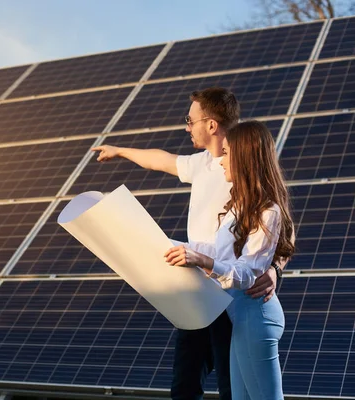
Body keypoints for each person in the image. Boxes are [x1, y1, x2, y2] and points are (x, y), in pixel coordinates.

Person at [92, 87, 284, 400]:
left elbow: (277, 233)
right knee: (185, 384)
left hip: (233, 295)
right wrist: (121, 151)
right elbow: (161, 160)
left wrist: (274, 268)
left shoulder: (247, 168)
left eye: (190, 120)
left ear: (211, 125)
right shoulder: (205, 165)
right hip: (197, 287)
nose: (186, 126)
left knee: (233, 386)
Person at [164, 120, 295, 399]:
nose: (220, 161)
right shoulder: (239, 206)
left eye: (226, 153)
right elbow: (218, 252)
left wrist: (200, 260)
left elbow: (247, 272)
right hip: (241, 318)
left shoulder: (268, 210)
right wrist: (162, 243)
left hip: (256, 317)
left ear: (244, 157)